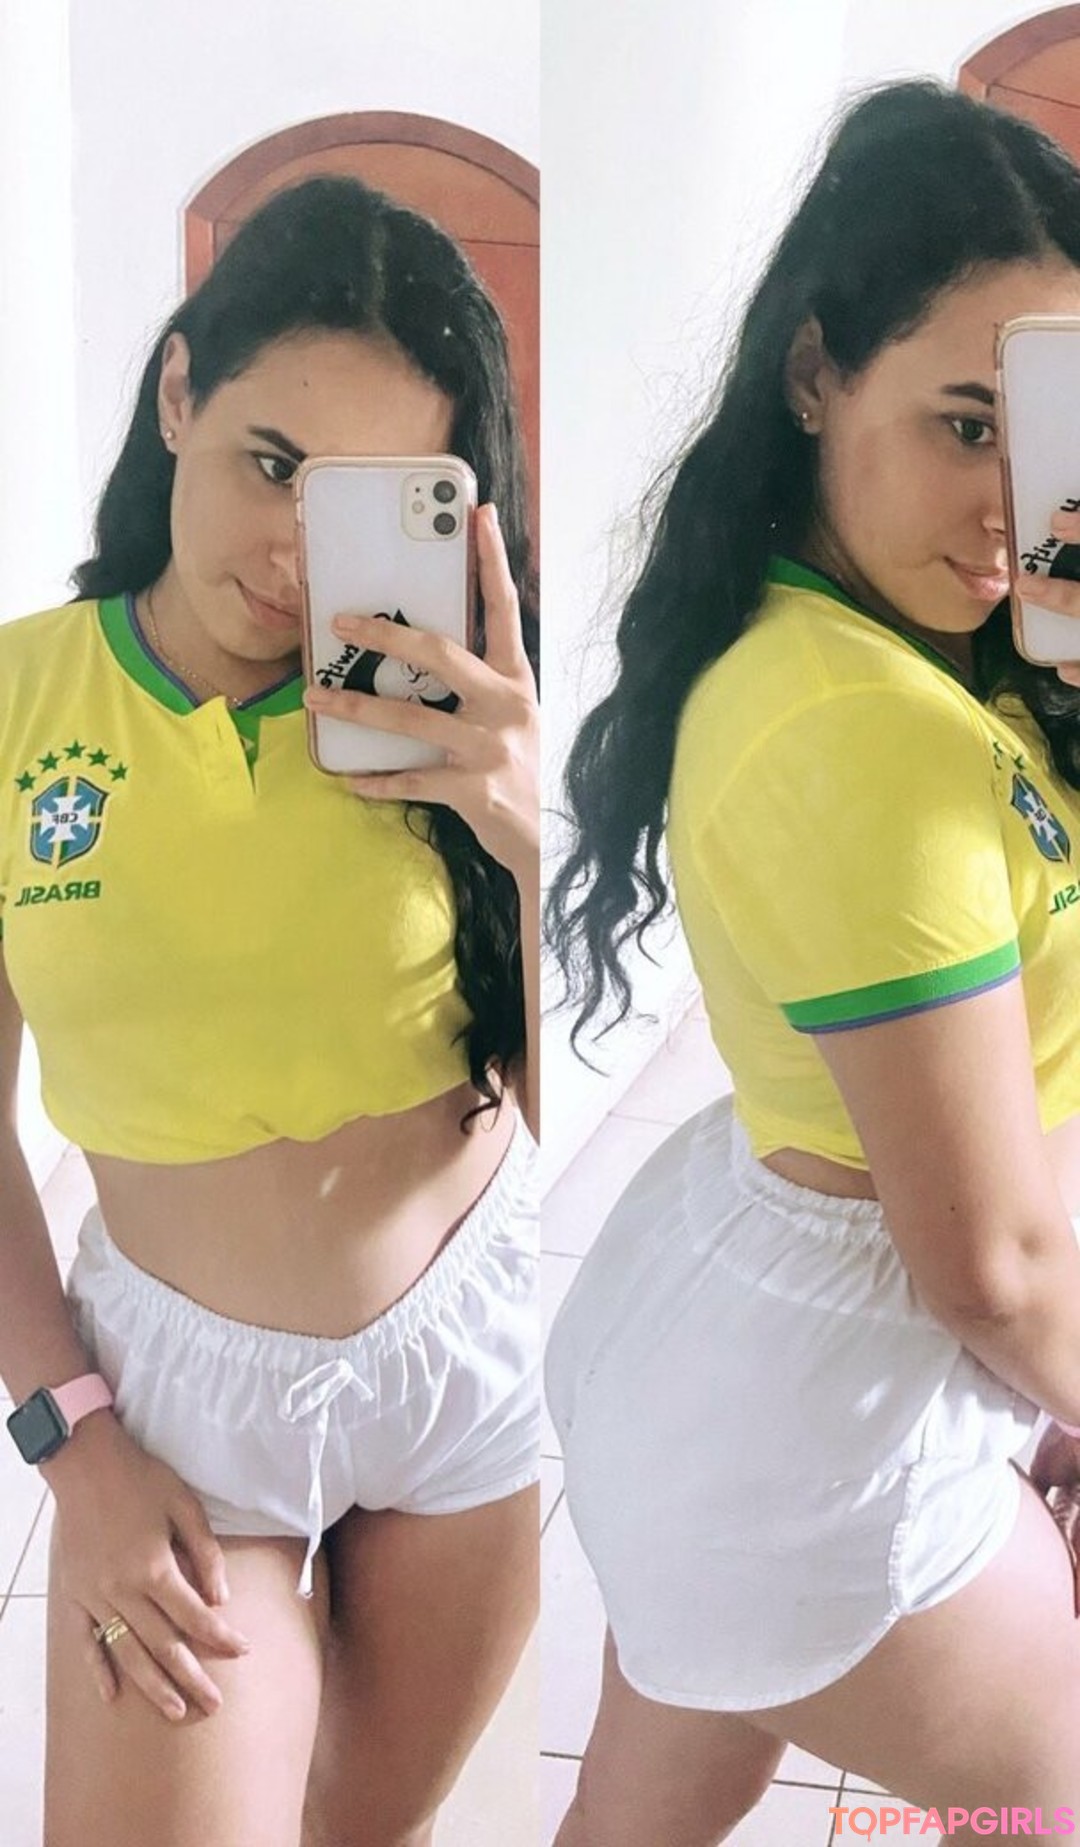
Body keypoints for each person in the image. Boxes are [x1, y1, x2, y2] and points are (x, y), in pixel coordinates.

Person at [544, 80, 1080, 1844]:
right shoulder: (863, 731)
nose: (1008, 506)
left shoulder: (854, 632)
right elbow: (991, 1264)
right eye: (961, 422)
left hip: (734, 1339)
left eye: (1050, 431)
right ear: (813, 374)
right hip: (820, 1421)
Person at [0, 173, 540, 1847]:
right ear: (180, 393)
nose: (299, 555)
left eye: (363, 504)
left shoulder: (457, 724)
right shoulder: (18, 701)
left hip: (463, 1365)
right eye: (271, 464)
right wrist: (72, 1441)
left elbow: (563, 1089)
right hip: (176, 1407)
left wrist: (525, 826)